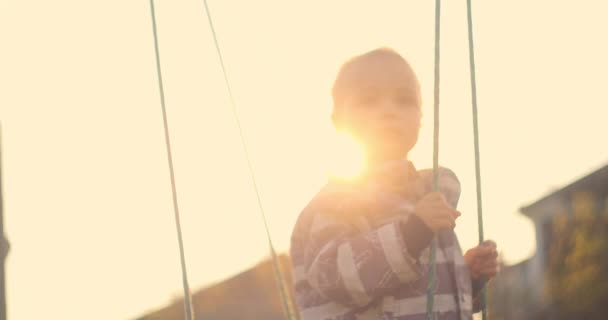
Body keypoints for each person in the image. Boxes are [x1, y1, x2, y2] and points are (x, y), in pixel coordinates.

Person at [289, 48, 498, 320]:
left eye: (404, 100)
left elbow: (418, 299)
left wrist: (465, 276)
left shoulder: (425, 196)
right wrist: (411, 234)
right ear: (338, 121)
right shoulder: (336, 202)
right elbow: (334, 276)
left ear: (421, 117)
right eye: (369, 100)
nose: (389, 111)